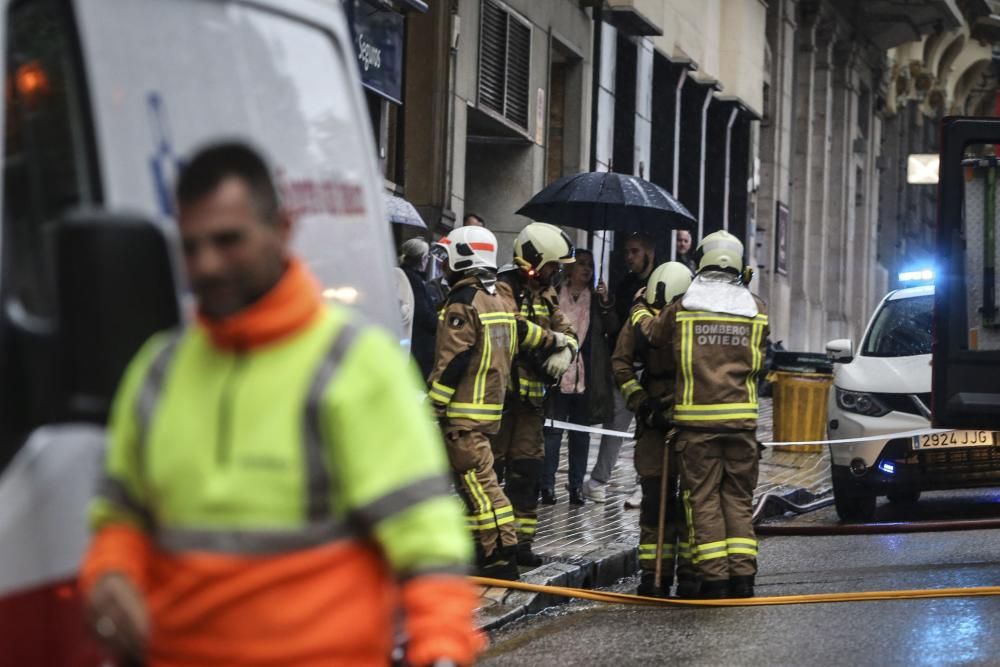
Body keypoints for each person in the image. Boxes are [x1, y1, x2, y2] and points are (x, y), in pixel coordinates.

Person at [80, 142, 483, 667]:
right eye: (191, 245)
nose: (207, 264)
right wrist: (110, 572)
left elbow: (427, 548)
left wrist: (442, 652)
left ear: (282, 229)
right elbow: (120, 517)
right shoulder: (158, 371)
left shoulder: (356, 368)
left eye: (228, 241)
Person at [429, 225, 569, 580]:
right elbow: (525, 331)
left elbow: (454, 360)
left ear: (463, 256)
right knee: (479, 484)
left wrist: (434, 405)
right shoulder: (499, 297)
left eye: (447, 257)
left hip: (465, 412)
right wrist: (557, 341)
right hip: (491, 409)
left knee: (481, 487)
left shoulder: (464, 301)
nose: (443, 265)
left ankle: (500, 555)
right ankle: (487, 550)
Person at [640, 229, 769, 599]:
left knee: (705, 501)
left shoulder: (684, 308)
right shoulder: (756, 308)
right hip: (742, 424)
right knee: (738, 500)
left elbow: (653, 334)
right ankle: (743, 578)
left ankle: (715, 581)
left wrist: (637, 309)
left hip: (698, 427)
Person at [494, 222, 578, 566]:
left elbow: (568, 331)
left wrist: (566, 348)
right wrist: (553, 341)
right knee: (493, 473)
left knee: (526, 474)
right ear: (534, 260)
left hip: (532, 405)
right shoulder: (503, 288)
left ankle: (521, 544)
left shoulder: (546, 294)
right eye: (553, 265)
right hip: (502, 401)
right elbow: (512, 326)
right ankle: (490, 544)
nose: (556, 272)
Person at [615, 261, 693, 597]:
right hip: (653, 419)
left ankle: (691, 576)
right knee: (654, 499)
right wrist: (642, 404)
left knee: (689, 502)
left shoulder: (693, 315)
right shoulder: (640, 318)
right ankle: (653, 576)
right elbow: (620, 364)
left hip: (689, 419)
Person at [583, 232, 656, 504]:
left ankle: (644, 483)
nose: (629, 257)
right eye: (627, 251)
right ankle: (599, 480)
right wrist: (606, 304)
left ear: (649, 251)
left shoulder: (660, 283)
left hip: (650, 368)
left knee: (648, 431)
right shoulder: (626, 285)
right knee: (615, 426)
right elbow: (616, 329)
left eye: (635, 251)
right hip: (625, 366)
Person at [541, 249, 617, 506]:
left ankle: (576, 487)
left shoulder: (595, 299)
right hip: (556, 370)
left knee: (580, 434)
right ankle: (547, 486)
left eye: (590, 265)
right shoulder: (554, 292)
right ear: (570, 268)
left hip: (586, 376)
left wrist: (606, 304)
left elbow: (612, 330)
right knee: (553, 430)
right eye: (582, 264)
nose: (587, 269)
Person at [399, 238, 438, 379]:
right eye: (427, 257)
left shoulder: (400, 275)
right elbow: (423, 314)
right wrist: (439, 323)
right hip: (417, 346)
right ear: (422, 259)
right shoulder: (414, 280)